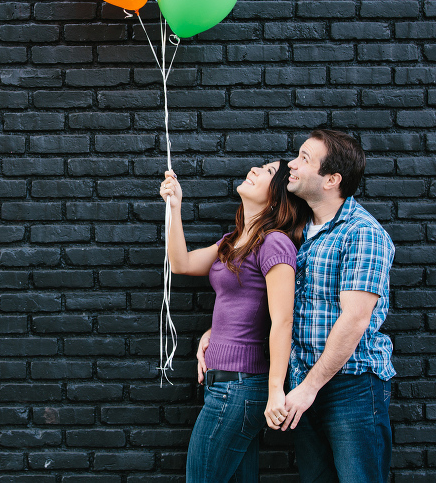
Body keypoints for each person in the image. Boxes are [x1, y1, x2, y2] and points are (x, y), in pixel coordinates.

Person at [161, 160, 311, 482]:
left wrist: (275, 392)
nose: (256, 168)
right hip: (224, 384)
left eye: (269, 172)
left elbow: (283, 321)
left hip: (240, 388)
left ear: (276, 199)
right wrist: (175, 206)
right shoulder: (233, 240)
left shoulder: (275, 242)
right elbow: (182, 263)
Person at [283, 128, 395, 482]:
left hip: (351, 387)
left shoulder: (361, 232)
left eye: (304, 158)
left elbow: (356, 318)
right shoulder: (300, 231)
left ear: (331, 179)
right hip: (303, 383)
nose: (292, 164)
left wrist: (308, 389)